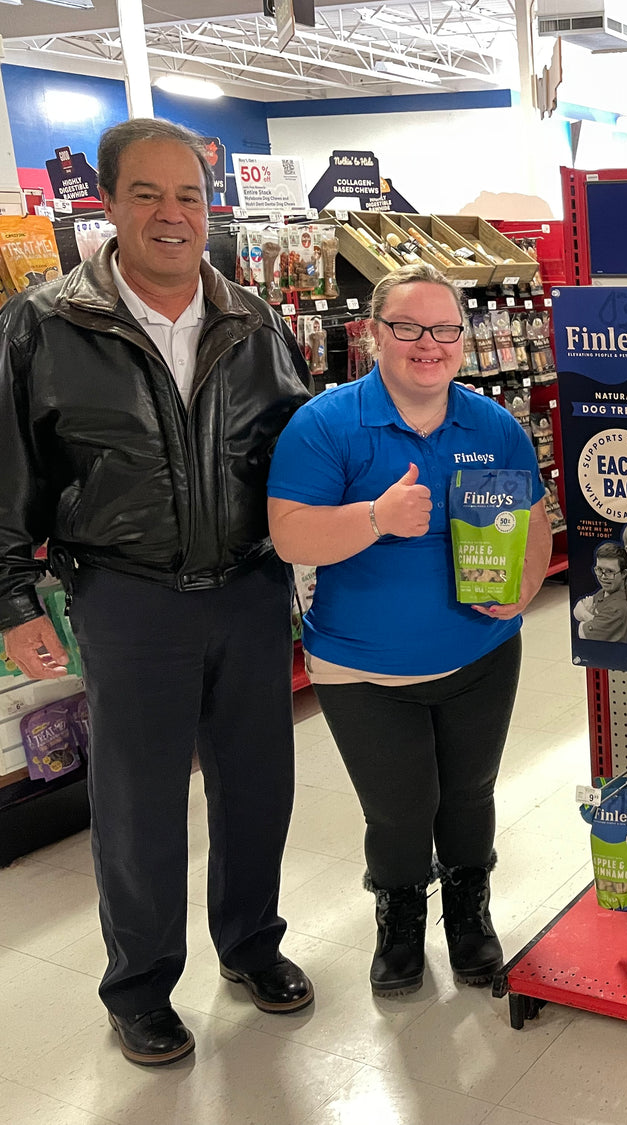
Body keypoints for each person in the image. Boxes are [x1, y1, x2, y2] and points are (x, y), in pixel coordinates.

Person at [0, 119, 314, 1065]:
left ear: (210, 208)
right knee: (138, 803)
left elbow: (302, 448)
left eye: (190, 195)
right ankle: (138, 985)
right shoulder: (45, 324)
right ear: (109, 201)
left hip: (251, 588)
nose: (173, 215)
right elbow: (6, 471)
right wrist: (13, 601)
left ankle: (252, 945)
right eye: (149, 194)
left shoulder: (254, 321)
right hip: (127, 597)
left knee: (259, 783)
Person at [267, 263, 550, 996]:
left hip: (480, 657)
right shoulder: (326, 425)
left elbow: (537, 520)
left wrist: (520, 586)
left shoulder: (492, 424)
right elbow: (291, 533)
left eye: (446, 329)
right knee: (397, 809)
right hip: (362, 671)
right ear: (373, 334)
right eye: (409, 328)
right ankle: (399, 923)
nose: (430, 344)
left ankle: (468, 913)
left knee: (469, 793)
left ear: (462, 337)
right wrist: (374, 518)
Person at [575, 541, 627, 642]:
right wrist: (593, 618)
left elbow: (582, 632)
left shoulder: (618, 607)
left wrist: (585, 614)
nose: (603, 577)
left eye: (610, 571)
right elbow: (577, 609)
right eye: (599, 570)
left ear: (624, 573)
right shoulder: (603, 593)